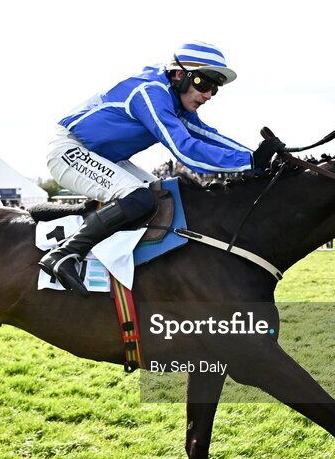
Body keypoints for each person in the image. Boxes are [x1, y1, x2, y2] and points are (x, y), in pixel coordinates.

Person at [38, 41, 285, 295]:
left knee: (167, 196)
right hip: (70, 149)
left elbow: (207, 134)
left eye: (214, 88)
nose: (209, 94)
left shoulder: (175, 98)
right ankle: (64, 254)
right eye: (203, 83)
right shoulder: (151, 93)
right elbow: (184, 149)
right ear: (179, 74)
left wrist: (261, 156)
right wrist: (250, 162)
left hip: (104, 156)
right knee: (139, 198)